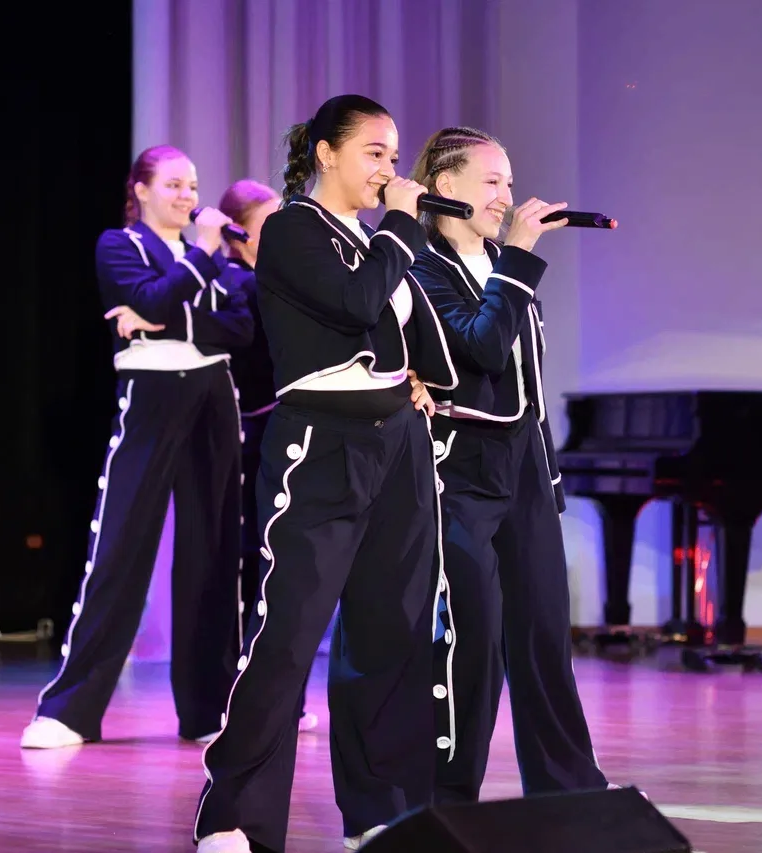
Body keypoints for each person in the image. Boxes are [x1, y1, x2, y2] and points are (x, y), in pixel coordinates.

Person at [191, 95, 458, 853]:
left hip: (398, 444)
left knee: (392, 630)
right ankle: (234, 815)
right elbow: (354, 303)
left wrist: (421, 379)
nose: (389, 169)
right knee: (288, 631)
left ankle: (382, 809)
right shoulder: (292, 229)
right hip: (322, 443)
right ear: (326, 153)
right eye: (375, 152)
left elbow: (420, 336)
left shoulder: (378, 239)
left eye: (394, 156)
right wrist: (401, 226)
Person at [21, 145, 252, 748]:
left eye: (192, 185)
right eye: (173, 184)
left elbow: (241, 326)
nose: (187, 196)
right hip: (150, 395)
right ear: (141, 190)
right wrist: (189, 273)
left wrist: (166, 317)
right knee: (119, 547)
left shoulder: (218, 260)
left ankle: (208, 710)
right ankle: (70, 710)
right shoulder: (120, 245)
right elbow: (148, 298)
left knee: (213, 553)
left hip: (213, 398)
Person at [405, 126, 611, 802]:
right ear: (446, 186)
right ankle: (449, 792)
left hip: (524, 465)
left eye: (509, 183)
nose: (507, 196)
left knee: (544, 630)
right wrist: (519, 258)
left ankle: (567, 787)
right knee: (474, 632)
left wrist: (546, 472)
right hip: (459, 468)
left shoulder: (500, 260)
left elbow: (528, 380)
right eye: (492, 181)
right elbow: (481, 352)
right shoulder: (422, 270)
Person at [216, 177, 318, 734]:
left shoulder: (270, 281)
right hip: (251, 441)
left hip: (276, 436)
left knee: (280, 568)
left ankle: (281, 701)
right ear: (239, 234)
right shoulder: (237, 283)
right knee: (259, 566)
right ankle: (249, 700)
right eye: (268, 224)